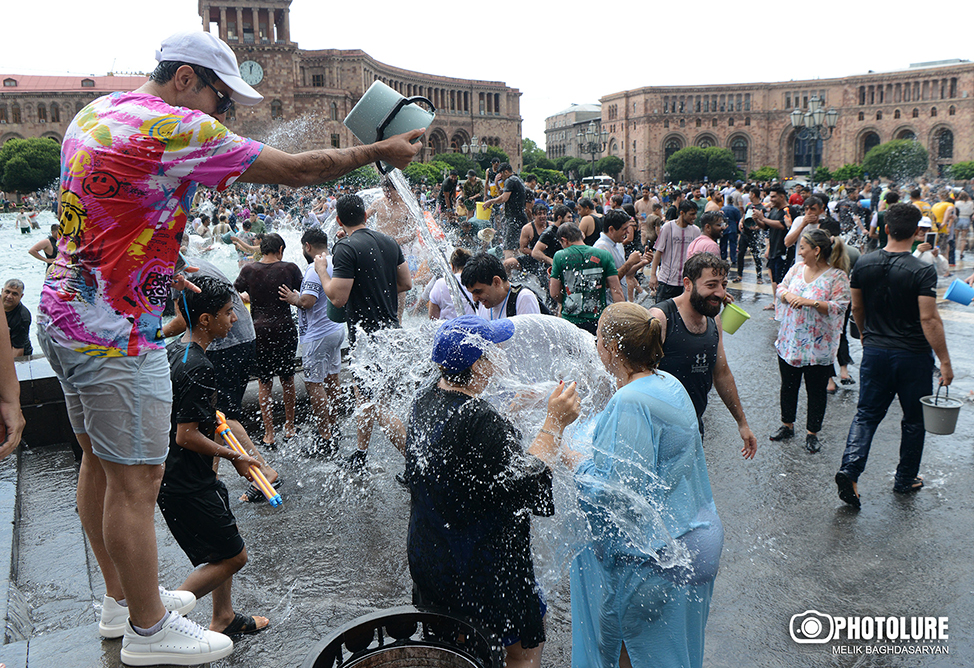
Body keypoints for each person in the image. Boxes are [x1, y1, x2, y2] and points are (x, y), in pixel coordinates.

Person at [37, 28, 422, 665]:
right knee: (138, 483)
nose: (224, 115)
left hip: (64, 313)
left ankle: (116, 602)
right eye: (222, 98)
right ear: (185, 78)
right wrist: (380, 148)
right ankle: (148, 632)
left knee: (99, 466)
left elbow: (104, 212)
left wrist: (165, 263)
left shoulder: (96, 113)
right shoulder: (176, 127)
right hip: (113, 333)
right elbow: (300, 169)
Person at [530, 302, 722, 668]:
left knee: (629, 651)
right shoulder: (667, 382)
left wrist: (568, 455)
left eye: (598, 338)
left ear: (612, 349)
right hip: (692, 531)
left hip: (657, 557)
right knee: (669, 652)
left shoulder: (630, 402)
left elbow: (618, 494)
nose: (594, 346)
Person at [403, 315, 580, 668]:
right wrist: (554, 423)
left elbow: (464, 466)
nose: (502, 357)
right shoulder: (479, 418)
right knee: (522, 649)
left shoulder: (426, 398)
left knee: (459, 645)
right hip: (481, 564)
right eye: (495, 351)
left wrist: (509, 414)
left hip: (433, 552)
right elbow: (525, 480)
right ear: (478, 364)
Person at [159, 276, 268, 650]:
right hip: (186, 479)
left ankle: (223, 615)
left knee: (221, 545)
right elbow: (185, 435)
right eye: (226, 313)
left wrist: (217, 424)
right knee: (234, 556)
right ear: (205, 320)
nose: (234, 320)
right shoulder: (198, 366)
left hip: (182, 473)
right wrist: (233, 454)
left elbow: (186, 417)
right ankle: (158, 620)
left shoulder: (177, 351)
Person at [835, 203, 953, 508]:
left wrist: (864, 334)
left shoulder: (864, 263)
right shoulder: (921, 269)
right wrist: (944, 361)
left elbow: (857, 308)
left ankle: (850, 468)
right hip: (912, 355)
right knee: (914, 419)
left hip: (875, 351)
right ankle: (905, 478)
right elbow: (929, 319)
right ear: (916, 233)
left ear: (886, 228)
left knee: (867, 414)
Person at [162, 257, 280, 503]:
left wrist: (151, 335)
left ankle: (264, 472)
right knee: (213, 411)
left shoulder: (182, 277)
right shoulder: (188, 265)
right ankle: (211, 478)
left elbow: (184, 320)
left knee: (221, 412)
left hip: (229, 341)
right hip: (238, 338)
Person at [313, 193, 412, 469]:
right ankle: (360, 453)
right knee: (363, 396)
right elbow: (406, 283)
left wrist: (322, 271)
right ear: (366, 216)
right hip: (390, 331)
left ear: (339, 220)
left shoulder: (346, 248)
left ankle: (415, 463)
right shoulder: (389, 242)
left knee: (377, 404)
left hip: (367, 338)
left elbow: (337, 298)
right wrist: (376, 285)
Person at [649, 253, 757, 458]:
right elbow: (636, 378)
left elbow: (722, 374)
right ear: (688, 284)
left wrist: (742, 423)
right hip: (657, 431)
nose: (720, 292)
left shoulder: (714, 319)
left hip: (693, 427)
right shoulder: (661, 318)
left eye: (723, 284)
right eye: (711, 285)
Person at [771, 229, 851, 453]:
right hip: (790, 341)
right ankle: (787, 425)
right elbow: (781, 288)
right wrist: (788, 296)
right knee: (788, 386)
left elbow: (840, 306)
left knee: (816, 391)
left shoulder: (837, 276)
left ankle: (812, 433)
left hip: (819, 347)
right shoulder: (797, 269)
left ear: (816, 251)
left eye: (803, 248)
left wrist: (810, 302)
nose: (800, 253)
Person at [279, 228, 345, 454]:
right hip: (336, 329)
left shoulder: (314, 268)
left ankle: (325, 436)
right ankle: (334, 426)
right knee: (332, 378)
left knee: (314, 383)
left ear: (307, 246)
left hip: (318, 335)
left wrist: (292, 298)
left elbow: (307, 301)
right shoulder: (336, 261)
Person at [233, 233, 303, 448]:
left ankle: (269, 434)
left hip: (259, 332)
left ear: (261, 249)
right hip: (284, 329)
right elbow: (304, 293)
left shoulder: (249, 270)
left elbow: (232, 291)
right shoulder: (289, 268)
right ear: (280, 249)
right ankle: (289, 427)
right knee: (288, 379)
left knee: (264, 382)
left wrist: (246, 297)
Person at [550, 223, 624, 334]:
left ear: (564, 240)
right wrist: (622, 319)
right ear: (582, 236)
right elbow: (616, 291)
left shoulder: (560, 256)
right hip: (597, 319)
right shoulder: (604, 255)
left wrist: (566, 299)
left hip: (571, 321)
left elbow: (554, 293)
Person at [461, 252, 543, 319]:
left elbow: (532, 337)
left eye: (478, 291)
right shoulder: (482, 304)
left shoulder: (523, 298)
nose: (474, 299)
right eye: (471, 293)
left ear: (496, 282)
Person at [593, 209, 650, 303]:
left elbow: (624, 273)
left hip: (620, 301)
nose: (628, 232)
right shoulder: (601, 248)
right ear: (611, 229)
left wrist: (641, 263)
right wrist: (630, 262)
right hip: (608, 304)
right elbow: (607, 282)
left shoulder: (618, 243)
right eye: (624, 229)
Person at [648, 200, 700, 302]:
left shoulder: (696, 231)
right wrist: (653, 275)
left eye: (695, 214)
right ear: (682, 213)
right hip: (667, 281)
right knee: (661, 313)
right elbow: (658, 252)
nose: (695, 217)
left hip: (686, 283)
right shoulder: (668, 227)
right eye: (692, 214)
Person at [483, 163, 527, 260]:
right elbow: (503, 194)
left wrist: (490, 201)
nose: (500, 176)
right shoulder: (517, 179)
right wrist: (496, 184)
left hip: (514, 219)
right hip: (520, 217)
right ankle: (520, 271)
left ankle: (508, 273)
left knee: (508, 247)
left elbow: (504, 198)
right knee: (516, 248)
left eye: (500, 174)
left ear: (506, 172)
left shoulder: (510, 180)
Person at [428, 248, 477, 320]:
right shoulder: (478, 281)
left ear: (452, 266)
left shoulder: (441, 283)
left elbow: (433, 318)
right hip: (474, 327)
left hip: (450, 329)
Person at [2, 280, 32, 357]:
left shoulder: (22, 317)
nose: (9, 296)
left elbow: (17, 350)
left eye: (14, 294)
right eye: (7, 292)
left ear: (21, 296)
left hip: (16, 350)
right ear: (2, 291)